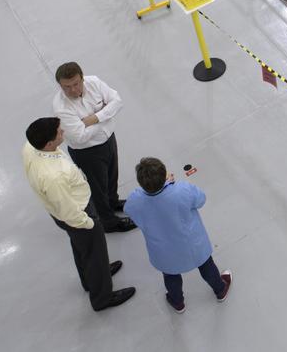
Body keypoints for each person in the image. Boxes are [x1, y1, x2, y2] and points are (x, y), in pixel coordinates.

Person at [22, 117, 136, 311]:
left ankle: (90, 280)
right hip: (78, 214)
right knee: (95, 251)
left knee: (82, 248)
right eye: (59, 132)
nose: (63, 132)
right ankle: (102, 297)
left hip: (63, 211)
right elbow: (69, 211)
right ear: (49, 143)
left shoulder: (31, 148)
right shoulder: (53, 177)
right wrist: (89, 223)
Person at [126, 157, 231, 313]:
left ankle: (177, 302)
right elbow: (201, 200)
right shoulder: (182, 190)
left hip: (164, 251)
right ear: (164, 175)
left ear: (141, 182)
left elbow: (132, 213)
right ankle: (220, 289)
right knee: (206, 265)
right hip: (192, 244)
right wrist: (171, 185)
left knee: (171, 275)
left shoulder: (135, 200)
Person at [52, 62, 136, 233]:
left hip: (109, 140)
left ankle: (113, 202)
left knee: (112, 176)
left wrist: (93, 119)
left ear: (82, 78)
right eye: (67, 87)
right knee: (98, 188)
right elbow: (79, 136)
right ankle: (109, 222)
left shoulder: (94, 82)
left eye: (76, 83)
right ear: (60, 86)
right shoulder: (61, 108)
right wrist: (106, 115)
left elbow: (117, 101)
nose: (73, 90)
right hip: (88, 152)